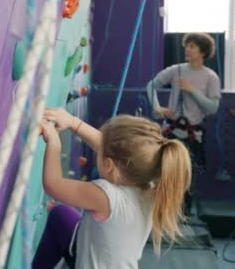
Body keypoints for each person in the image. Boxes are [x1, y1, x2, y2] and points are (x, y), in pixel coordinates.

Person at [32, 108, 192, 268]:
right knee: (61, 215)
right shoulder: (149, 187)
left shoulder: (106, 196)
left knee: (61, 214)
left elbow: (53, 185)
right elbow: (111, 148)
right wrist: (73, 122)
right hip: (101, 256)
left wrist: (54, 142)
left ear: (109, 165)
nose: (98, 148)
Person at [146, 32, 221, 216]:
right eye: (187, 46)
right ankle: (163, 213)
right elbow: (151, 85)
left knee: (187, 177)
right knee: (164, 173)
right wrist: (157, 107)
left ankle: (184, 215)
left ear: (202, 51)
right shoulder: (176, 70)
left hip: (192, 134)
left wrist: (193, 90)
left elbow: (212, 108)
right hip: (171, 130)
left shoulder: (211, 77)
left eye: (192, 46)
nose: (187, 49)